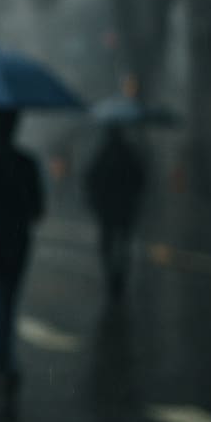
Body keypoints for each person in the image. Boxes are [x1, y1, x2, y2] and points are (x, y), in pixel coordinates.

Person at [0, 108, 44, 412]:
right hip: (18, 241)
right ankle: (5, 364)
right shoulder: (27, 163)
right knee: (10, 300)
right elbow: (38, 209)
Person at [84, 124, 146, 301]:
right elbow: (140, 178)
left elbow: (90, 179)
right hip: (125, 209)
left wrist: (96, 200)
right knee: (123, 244)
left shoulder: (102, 154)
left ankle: (112, 275)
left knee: (108, 244)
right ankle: (119, 276)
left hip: (107, 211)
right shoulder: (129, 154)